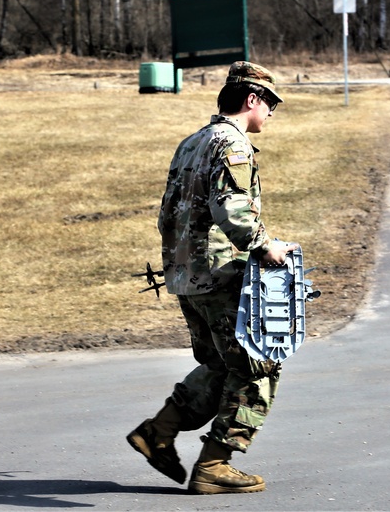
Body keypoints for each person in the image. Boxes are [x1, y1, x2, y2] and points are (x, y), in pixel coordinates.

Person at [127, 61, 298, 495]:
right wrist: (264, 246)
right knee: (259, 366)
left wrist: (181, 265)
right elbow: (233, 210)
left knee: (221, 365)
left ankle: (158, 433)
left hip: (186, 276)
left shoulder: (192, 142)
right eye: (271, 103)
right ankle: (214, 465)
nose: (273, 113)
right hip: (220, 278)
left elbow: (167, 212)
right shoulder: (232, 144)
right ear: (252, 99)